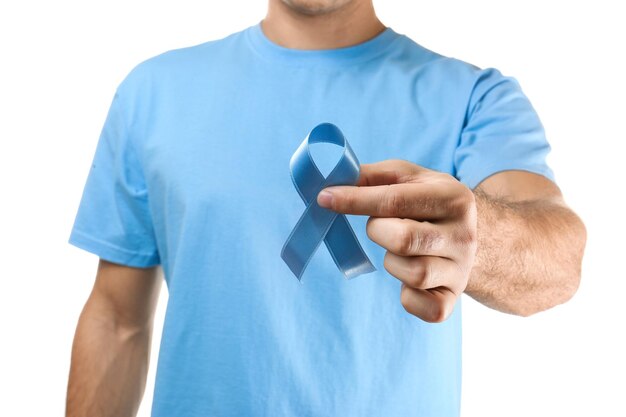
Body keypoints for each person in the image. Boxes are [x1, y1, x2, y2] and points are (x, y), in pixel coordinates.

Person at [65, 0, 587, 416]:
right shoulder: (152, 93)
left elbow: (558, 262)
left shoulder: (475, 98)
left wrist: (479, 237)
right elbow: (116, 319)